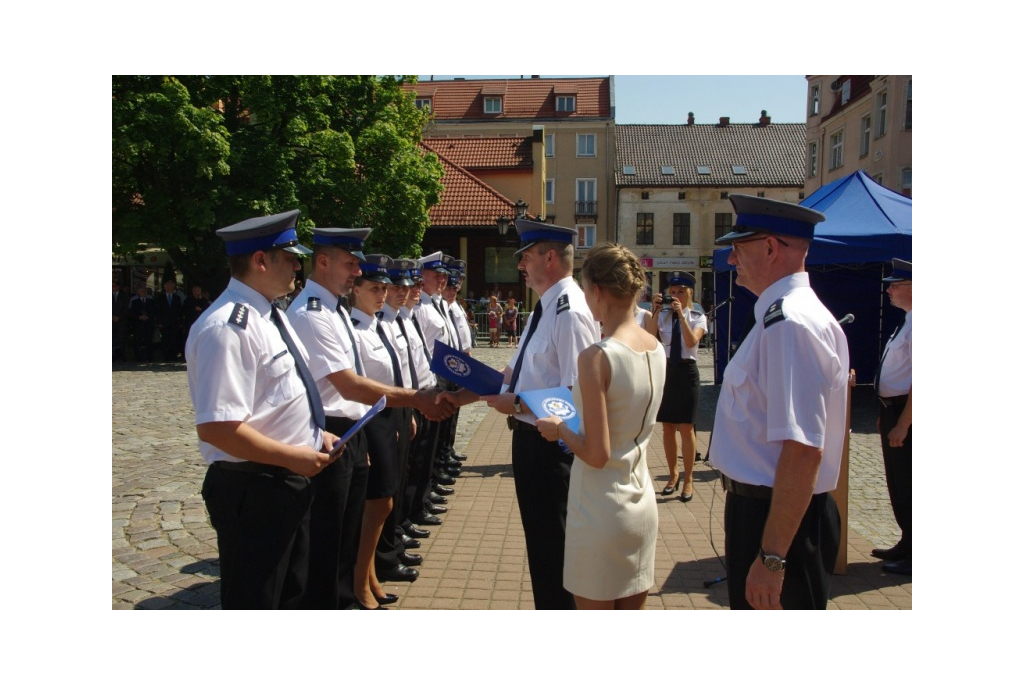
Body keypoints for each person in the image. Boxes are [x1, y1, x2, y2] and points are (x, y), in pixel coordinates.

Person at [184, 209, 339, 609]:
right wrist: (294, 456)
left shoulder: (270, 315)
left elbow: (279, 396)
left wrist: (314, 435)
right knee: (257, 600)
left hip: (286, 478)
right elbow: (218, 428)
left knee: (290, 594)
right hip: (255, 488)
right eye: (290, 257)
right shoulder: (227, 328)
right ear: (260, 260)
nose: (297, 266)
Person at [445, 219, 600, 609]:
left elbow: (576, 396)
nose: (521, 266)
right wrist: (463, 395)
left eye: (526, 257)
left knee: (555, 550)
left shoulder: (570, 312)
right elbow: (510, 374)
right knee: (542, 546)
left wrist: (515, 404)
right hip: (530, 442)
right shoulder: (543, 310)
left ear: (550, 257)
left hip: (552, 450)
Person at [710, 195, 849, 610]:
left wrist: (771, 558)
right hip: (771, 512)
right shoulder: (783, 315)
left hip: (777, 518)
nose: (732, 260)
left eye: (738, 248)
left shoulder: (789, 323)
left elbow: (804, 448)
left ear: (770, 248)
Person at [535, 243, 666, 609]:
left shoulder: (596, 356)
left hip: (599, 507)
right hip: (641, 499)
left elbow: (597, 453)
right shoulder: (655, 347)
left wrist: (559, 428)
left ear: (596, 291)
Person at [649, 272, 707, 501]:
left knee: (686, 427)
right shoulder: (662, 316)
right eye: (672, 292)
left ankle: (689, 478)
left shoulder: (697, 316)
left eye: (680, 292)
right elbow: (649, 335)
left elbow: (692, 341)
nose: (675, 296)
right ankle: (673, 475)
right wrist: (655, 310)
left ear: (689, 293)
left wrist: (681, 316)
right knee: (668, 427)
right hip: (667, 372)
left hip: (687, 372)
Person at [872, 258, 912, 576]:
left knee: (910, 483)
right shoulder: (906, 321)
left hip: (905, 414)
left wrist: (904, 422)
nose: (889, 290)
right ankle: (907, 541)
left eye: (895, 285)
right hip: (892, 410)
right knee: (898, 483)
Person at [154, 278, 184, 362]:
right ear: (164, 287)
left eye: (171, 286)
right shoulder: (160, 298)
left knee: (174, 339)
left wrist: (180, 322)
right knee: (165, 340)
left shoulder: (177, 298)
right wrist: (159, 322)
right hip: (164, 323)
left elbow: (179, 311)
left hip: (174, 323)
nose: (169, 287)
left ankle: (173, 355)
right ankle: (166, 356)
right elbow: (158, 311)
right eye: (167, 286)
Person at [129, 285, 155, 362]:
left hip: (148, 324)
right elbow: (132, 313)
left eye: (144, 291)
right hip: (138, 324)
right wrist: (139, 317)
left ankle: (150, 357)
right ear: (138, 292)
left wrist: (148, 316)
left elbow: (154, 311)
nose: (143, 293)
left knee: (149, 340)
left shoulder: (151, 301)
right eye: (141, 291)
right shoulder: (134, 302)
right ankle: (137, 356)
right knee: (137, 341)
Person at [113, 280, 130, 362]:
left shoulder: (124, 296)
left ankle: (121, 356)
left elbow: (126, 309)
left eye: (114, 286)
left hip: (121, 321)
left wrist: (119, 317)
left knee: (121, 339)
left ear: (118, 287)